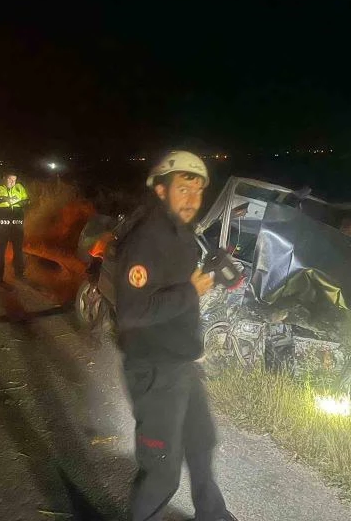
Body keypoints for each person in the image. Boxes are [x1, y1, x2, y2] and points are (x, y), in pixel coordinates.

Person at [114, 151, 237, 521]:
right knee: (161, 469)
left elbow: (175, 289)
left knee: (201, 442)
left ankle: (212, 514)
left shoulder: (182, 233)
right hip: (154, 367)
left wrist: (202, 281)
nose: (192, 199)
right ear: (161, 190)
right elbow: (132, 312)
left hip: (181, 362)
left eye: (198, 191)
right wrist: (190, 292)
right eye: (183, 189)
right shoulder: (146, 239)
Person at [0, 171, 29, 284]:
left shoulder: (19, 187)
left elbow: (26, 200)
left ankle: (19, 274)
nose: (13, 182)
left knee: (18, 251)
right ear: (4, 178)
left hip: (16, 226)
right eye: (10, 179)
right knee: (0, 253)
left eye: (14, 180)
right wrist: (4, 199)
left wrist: (21, 202)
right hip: (1, 227)